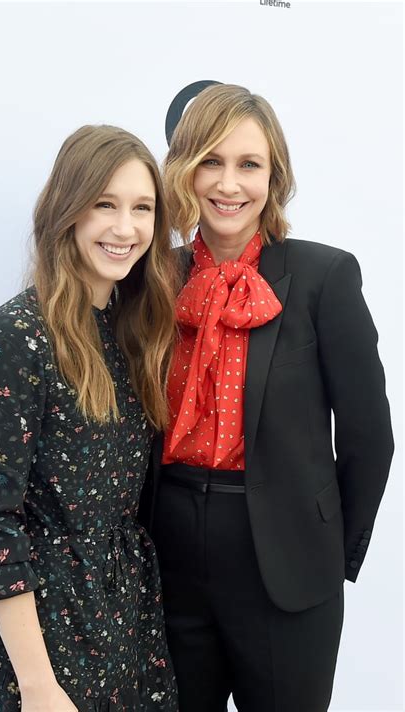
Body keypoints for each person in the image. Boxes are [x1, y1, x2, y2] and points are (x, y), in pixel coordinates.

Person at [139, 84, 394, 711]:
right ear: (184, 170)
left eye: (249, 164)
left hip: (285, 562)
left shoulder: (325, 277)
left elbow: (369, 437)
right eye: (211, 161)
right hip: (166, 552)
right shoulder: (150, 278)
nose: (229, 184)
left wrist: (326, 546)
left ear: (273, 175)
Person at [0, 125, 179, 712]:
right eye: (105, 204)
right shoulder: (19, 335)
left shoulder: (131, 334)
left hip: (124, 621)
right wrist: (38, 686)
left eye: (142, 208)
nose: (125, 227)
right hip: (45, 639)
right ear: (67, 211)